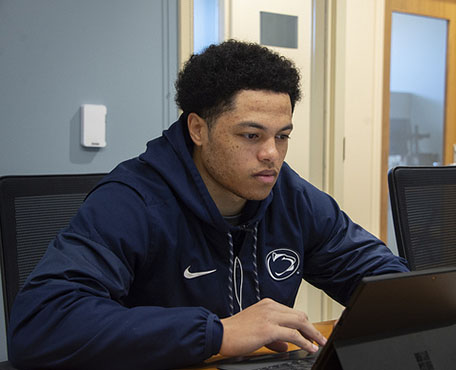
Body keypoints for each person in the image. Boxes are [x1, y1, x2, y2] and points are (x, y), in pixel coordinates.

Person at [7, 40, 408, 370]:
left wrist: (420, 302)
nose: (272, 154)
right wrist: (218, 333)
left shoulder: (289, 195)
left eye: (282, 136)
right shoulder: (132, 201)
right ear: (198, 128)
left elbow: (385, 284)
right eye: (251, 136)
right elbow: (41, 324)